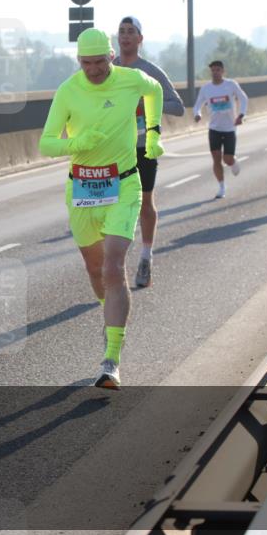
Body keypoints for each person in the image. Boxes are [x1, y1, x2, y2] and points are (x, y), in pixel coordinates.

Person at [39, 28, 164, 389]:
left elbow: (153, 91)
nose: (93, 70)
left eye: (99, 62)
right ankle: (110, 315)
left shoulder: (130, 80)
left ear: (111, 56)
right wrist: (77, 143)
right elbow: (45, 143)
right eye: (86, 63)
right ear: (79, 61)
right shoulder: (68, 90)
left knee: (112, 266)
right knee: (96, 272)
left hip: (124, 184)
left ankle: (111, 360)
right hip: (81, 189)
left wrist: (153, 134)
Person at [114, 16, 184, 289]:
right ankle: (116, 263)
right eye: (122, 31)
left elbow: (178, 106)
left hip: (144, 147)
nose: (126, 36)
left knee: (144, 201)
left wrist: (147, 101)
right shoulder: (110, 69)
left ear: (140, 39)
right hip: (115, 148)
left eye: (131, 32)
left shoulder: (150, 71)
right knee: (115, 204)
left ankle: (145, 255)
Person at [192, 60, 249, 199]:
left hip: (229, 128)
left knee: (227, 159)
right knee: (216, 159)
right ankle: (222, 186)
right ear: (210, 72)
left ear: (223, 71)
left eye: (218, 70)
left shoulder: (231, 85)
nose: (215, 72)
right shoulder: (206, 88)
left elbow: (244, 98)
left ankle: (233, 161)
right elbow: (197, 104)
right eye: (213, 70)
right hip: (214, 128)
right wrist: (197, 114)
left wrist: (241, 115)